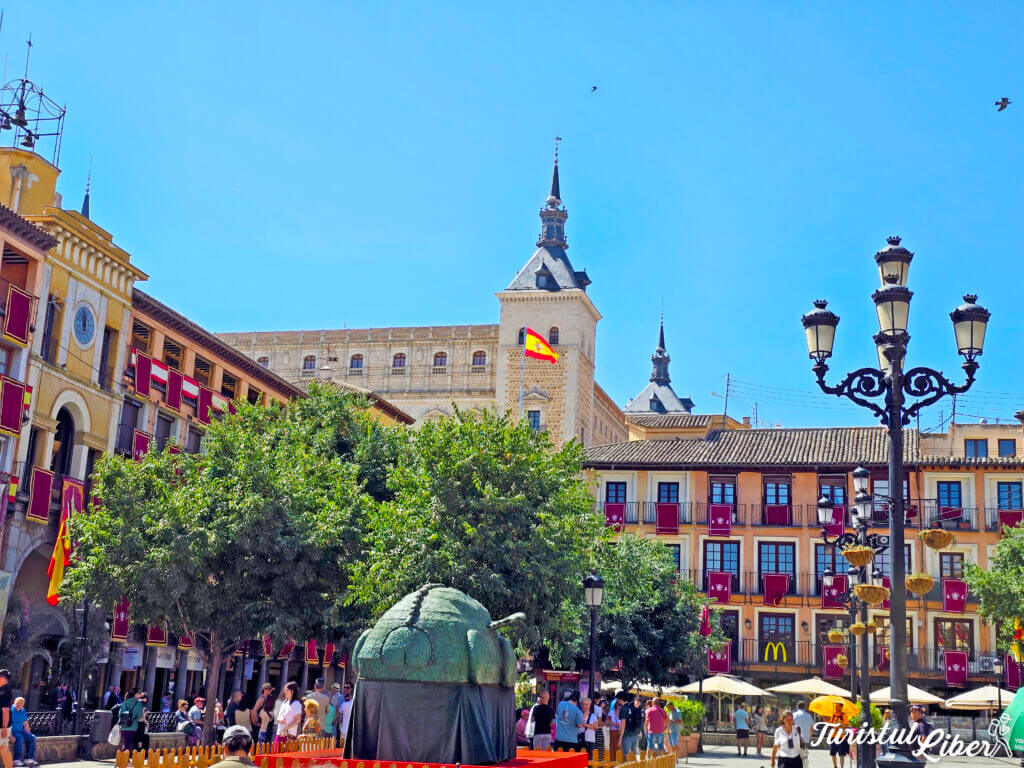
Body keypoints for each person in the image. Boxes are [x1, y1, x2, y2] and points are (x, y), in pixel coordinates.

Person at [273, 682, 302, 749]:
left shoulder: (296, 704)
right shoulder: (284, 703)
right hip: (280, 733)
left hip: (289, 735)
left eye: (286, 690)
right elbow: (278, 717)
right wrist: (280, 719)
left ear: (292, 691)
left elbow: (298, 719)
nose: (284, 692)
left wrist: (286, 728)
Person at [11, 697, 36, 768]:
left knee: (32, 738)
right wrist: (11, 736)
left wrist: (29, 733)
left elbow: (25, 723)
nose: (18, 706)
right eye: (17, 704)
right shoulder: (10, 710)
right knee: (20, 738)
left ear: (23, 705)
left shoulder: (22, 710)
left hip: (21, 730)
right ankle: (16, 759)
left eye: (21, 704)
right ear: (15, 703)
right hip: (12, 730)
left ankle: (28, 758)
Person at [828, 703, 850, 768]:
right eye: (835, 706)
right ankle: (835, 766)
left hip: (841, 737)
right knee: (833, 753)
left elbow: (845, 726)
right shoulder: (833, 715)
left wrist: (841, 723)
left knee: (841, 754)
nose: (836, 708)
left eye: (837, 706)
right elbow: (830, 725)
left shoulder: (844, 715)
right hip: (833, 737)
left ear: (841, 707)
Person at [793, 700, 813, 768]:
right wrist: (810, 736)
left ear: (797, 707)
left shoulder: (793, 715)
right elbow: (811, 727)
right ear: (804, 707)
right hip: (804, 739)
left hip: (794, 738)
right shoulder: (808, 716)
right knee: (804, 756)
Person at [0, 669, 14, 768]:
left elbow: (5, 710)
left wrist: (4, 728)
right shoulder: (3, 689)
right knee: (4, 748)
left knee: (4, 748)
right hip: (3, 725)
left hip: (2, 726)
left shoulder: (4, 691)